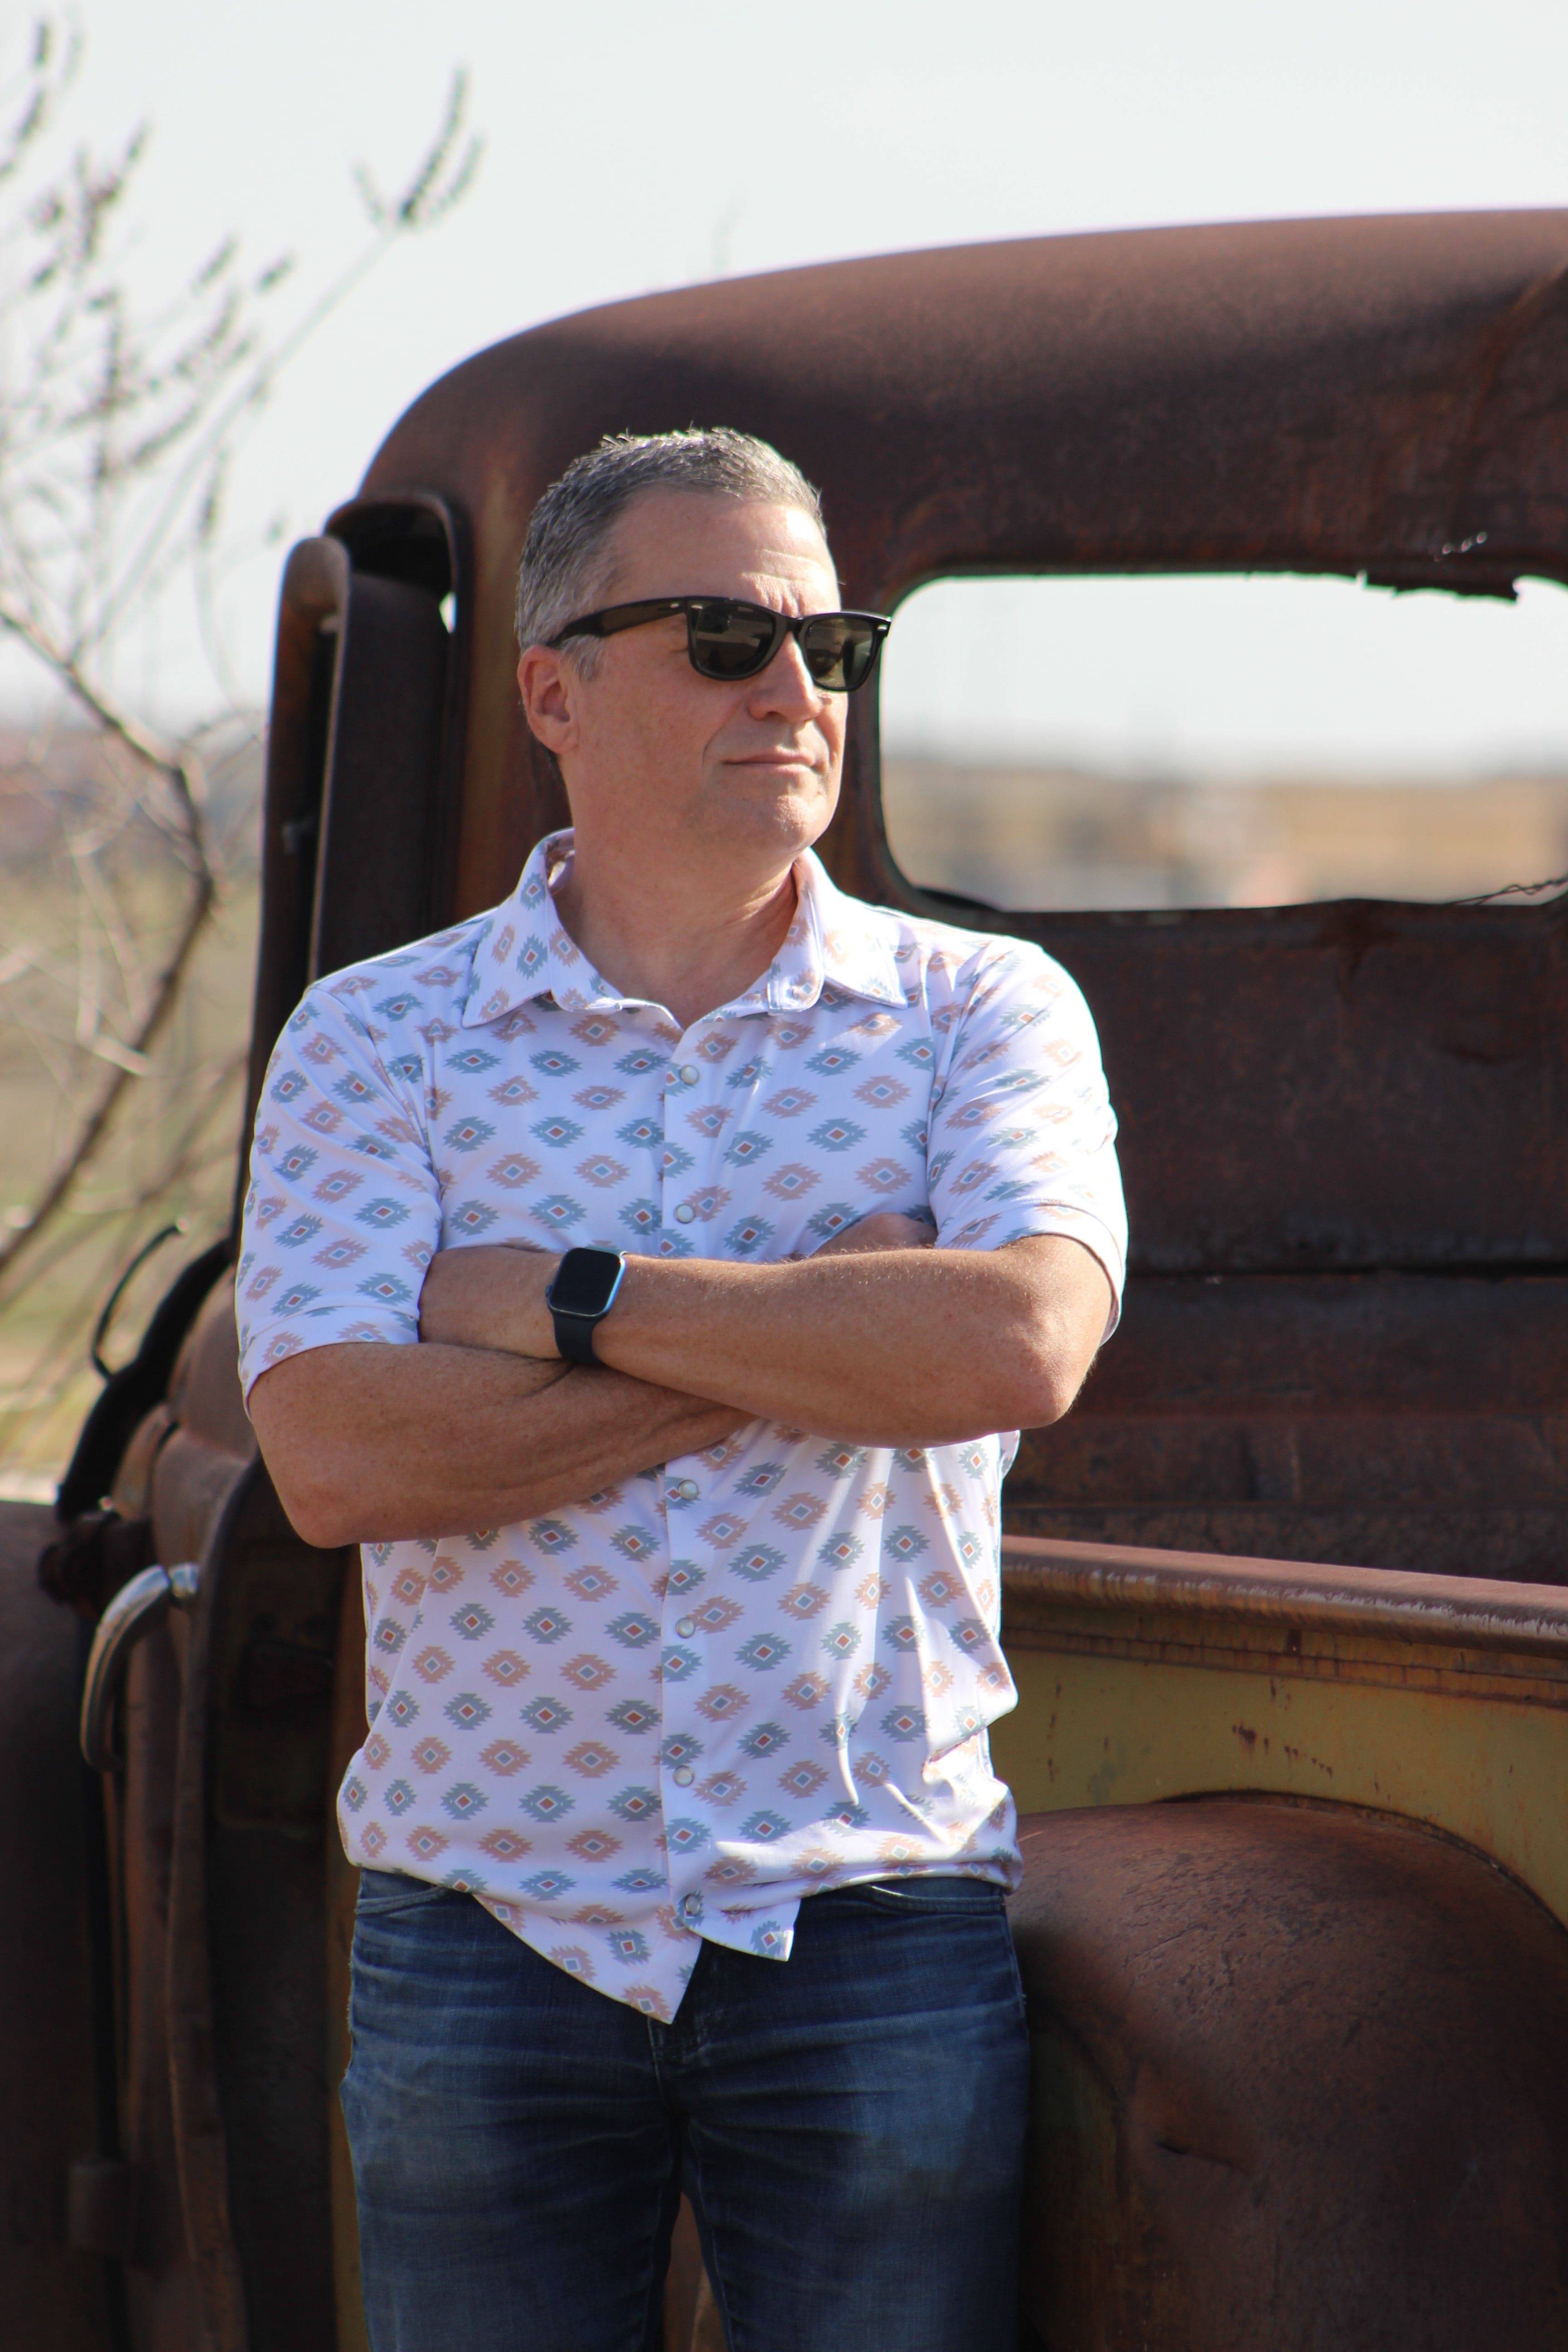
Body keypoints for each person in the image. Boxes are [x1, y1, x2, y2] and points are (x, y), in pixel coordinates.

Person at [238, 427, 1126, 2352]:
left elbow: (1018, 1345)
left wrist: (569, 1302)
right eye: (727, 637)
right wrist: (817, 1331)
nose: (799, 690)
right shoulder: (378, 1039)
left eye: (835, 644)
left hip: (869, 1913)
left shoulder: (985, 1012)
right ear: (553, 689)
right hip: (487, 1929)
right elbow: (330, 1454)